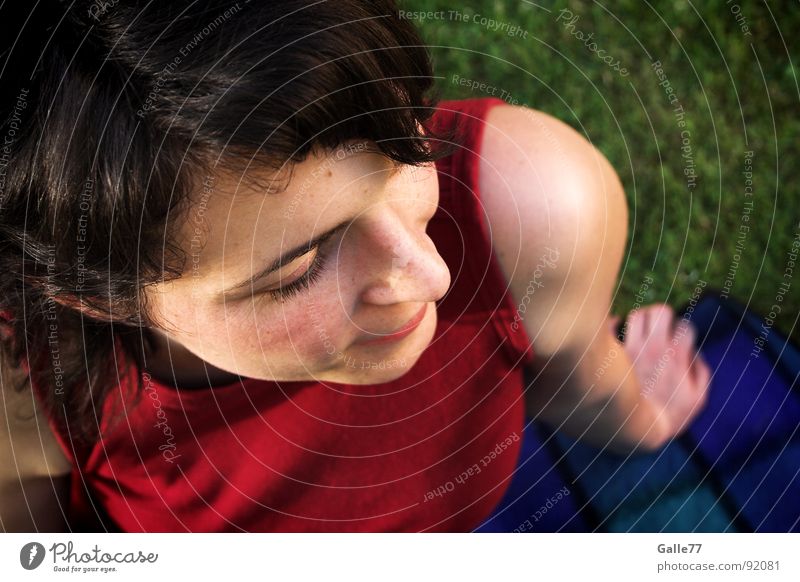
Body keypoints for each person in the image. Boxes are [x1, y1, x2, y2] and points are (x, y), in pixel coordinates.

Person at [0, 0, 711, 532]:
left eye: (407, 150)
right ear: (99, 299)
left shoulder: (534, 204)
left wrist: (637, 417)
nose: (429, 277)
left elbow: (569, 379)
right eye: (298, 270)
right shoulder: (25, 373)